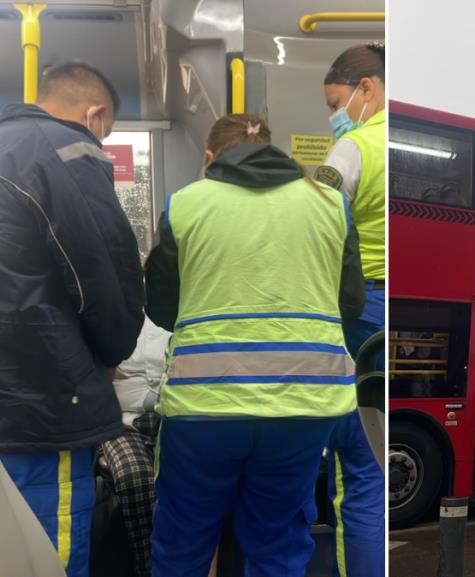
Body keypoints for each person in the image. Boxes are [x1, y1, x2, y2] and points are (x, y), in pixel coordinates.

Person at [144, 114, 365, 577]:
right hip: (303, 408)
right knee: (278, 543)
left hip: (203, 409)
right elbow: (350, 304)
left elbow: (162, 307)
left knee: (182, 545)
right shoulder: (330, 204)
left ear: (209, 158)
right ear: (274, 148)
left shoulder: (184, 204)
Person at [0, 62, 145, 577]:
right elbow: (104, 272)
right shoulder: (65, 148)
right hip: (41, 402)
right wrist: (112, 353)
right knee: (47, 552)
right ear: (96, 115)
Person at [314, 42, 386, 577]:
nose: (336, 116)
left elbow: (313, 223)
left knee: (361, 469)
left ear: (367, 88)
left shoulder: (353, 148)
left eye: (337, 102)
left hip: (364, 308)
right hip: (396, 306)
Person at [98, 316, 171, 577]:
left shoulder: (167, 331)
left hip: (168, 422)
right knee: (134, 477)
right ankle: (146, 566)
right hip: (121, 425)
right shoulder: (107, 331)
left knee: (191, 479)